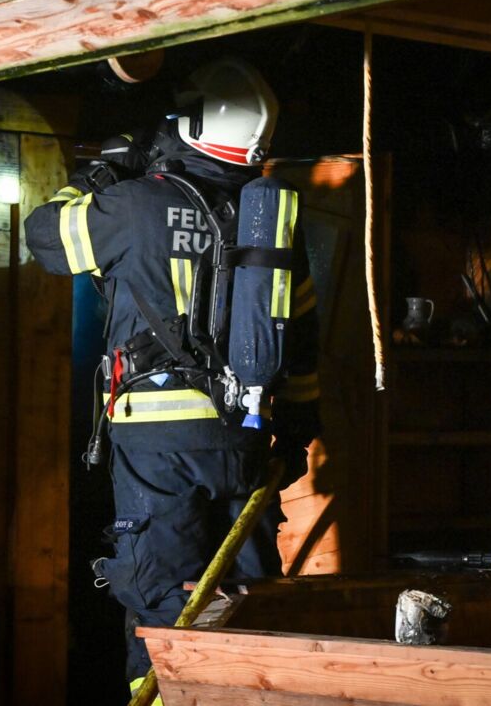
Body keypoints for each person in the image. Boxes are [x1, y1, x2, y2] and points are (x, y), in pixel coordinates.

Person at [24, 58, 321, 699]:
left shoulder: (134, 205)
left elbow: (45, 237)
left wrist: (97, 176)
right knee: (246, 601)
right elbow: (300, 337)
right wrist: (298, 428)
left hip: (158, 446)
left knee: (162, 601)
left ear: (191, 123)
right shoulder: (268, 222)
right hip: (247, 437)